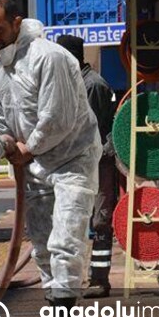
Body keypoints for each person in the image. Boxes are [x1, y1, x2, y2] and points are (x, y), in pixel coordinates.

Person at [0, 0, 101, 317]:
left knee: (66, 236)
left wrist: (27, 147)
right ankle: (54, 304)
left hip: (72, 159)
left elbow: (57, 118)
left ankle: (64, 315)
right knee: (43, 242)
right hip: (34, 165)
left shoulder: (50, 57)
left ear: (17, 22)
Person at [56, 35, 119, 298]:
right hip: (83, 161)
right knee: (77, 219)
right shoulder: (75, 83)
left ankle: (100, 279)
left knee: (100, 219)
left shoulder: (91, 85)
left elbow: (86, 130)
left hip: (97, 160)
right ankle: (81, 277)